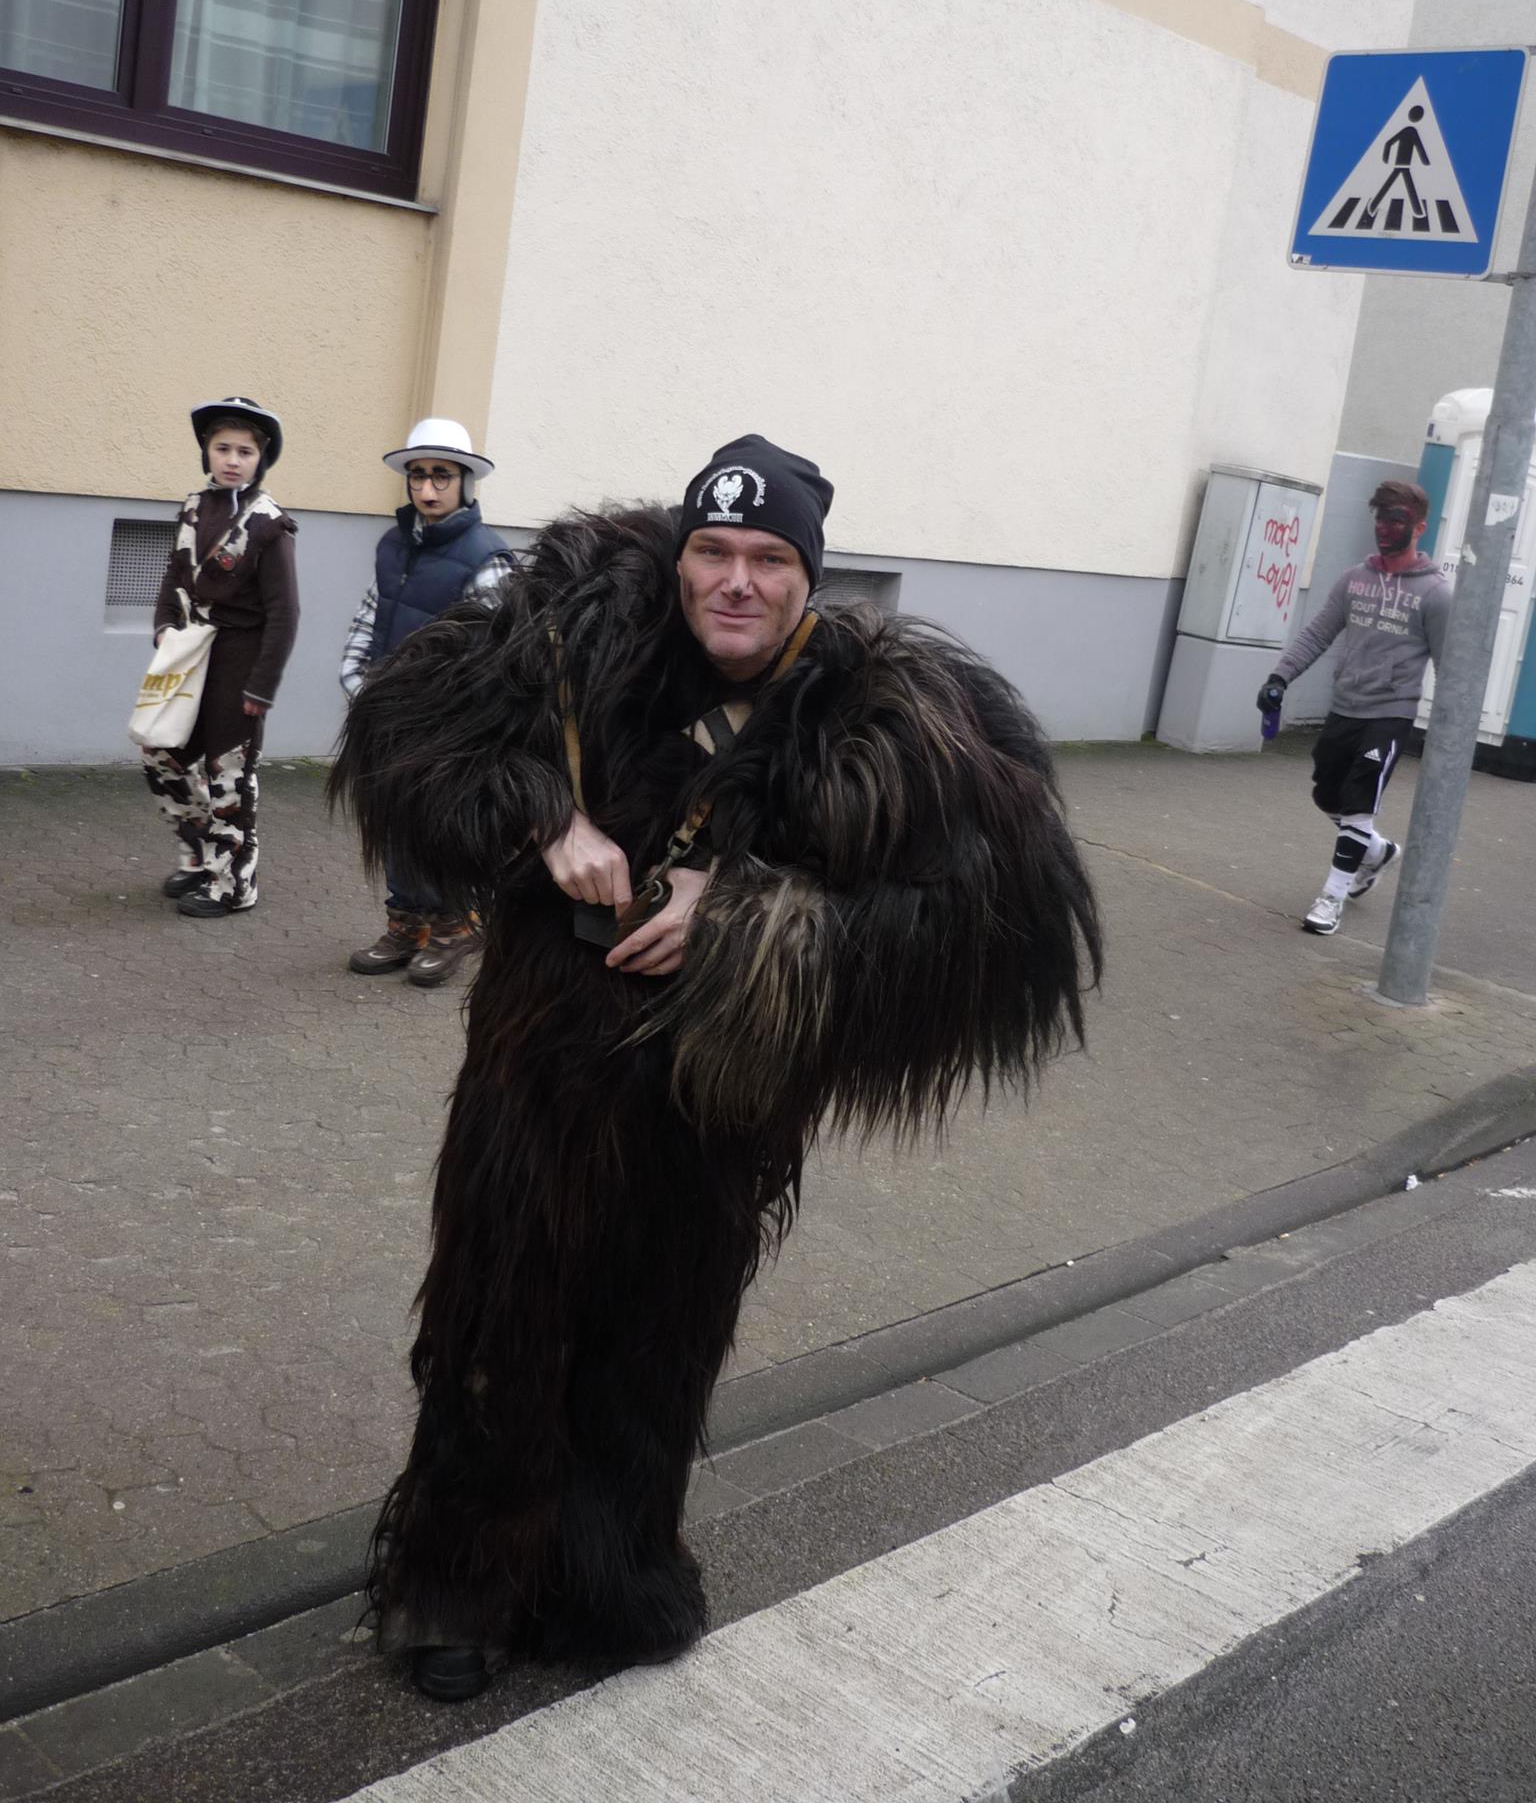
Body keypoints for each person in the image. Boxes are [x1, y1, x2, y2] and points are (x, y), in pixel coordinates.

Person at [331, 432, 1102, 1704]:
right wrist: (543, 814)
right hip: (539, 1080)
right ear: (681, 554)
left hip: (714, 1105)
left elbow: (1000, 919)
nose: (735, 580)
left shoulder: (879, 711)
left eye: (768, 559)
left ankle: (607, 1574)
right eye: (713, 550)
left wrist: (745, 913)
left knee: (661, 1342)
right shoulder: (575, 631)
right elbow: (405, 726)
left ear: (810, 575)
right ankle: (456, 1583)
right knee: (498, 1326)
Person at [339, 419, 515, 987]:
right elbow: (372, 615)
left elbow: (489, 654)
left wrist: (436, 711)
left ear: (465, 482)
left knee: (439, 825)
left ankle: (453, 926)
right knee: (394, 821)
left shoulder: (487, 554)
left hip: (446, 722)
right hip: (390, 716)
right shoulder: (395, 544)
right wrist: (357, 681)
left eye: (442, 476)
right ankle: (406, 925)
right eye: (418, 476)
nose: (428, 488)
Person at [1257, 479, 1451, 937]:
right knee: (1328, 795)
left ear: (1419, 527)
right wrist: (1279, 678)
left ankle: (1332, 897)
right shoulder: (1354, 580)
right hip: (1346, 707)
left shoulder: (1436, 594)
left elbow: (1449, 665)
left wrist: (1449, 732)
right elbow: (1317, 633)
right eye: (1380, 519)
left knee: (1359, 802)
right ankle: (1377, 852)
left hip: (1391, 712)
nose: (1385, 528)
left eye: (1397, 520)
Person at [142, 397, 298, 917]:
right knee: (161, 754)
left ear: (261, 458)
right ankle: (198, 856)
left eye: (245, 452)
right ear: (207, 452)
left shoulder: (271, 525)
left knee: (227, 774)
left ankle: (233, 886)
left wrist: (261, 688)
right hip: (188, 661)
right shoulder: (193, 507)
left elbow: (285, 614)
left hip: (239, 667)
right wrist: (164, 627)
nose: (233, 460)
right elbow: (173, 576)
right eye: (223, 448)